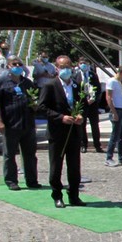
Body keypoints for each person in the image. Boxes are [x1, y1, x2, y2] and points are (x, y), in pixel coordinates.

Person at [37, 55, 85, 208]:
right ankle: (57, 195)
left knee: (74, 166)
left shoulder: (77, 86)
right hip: (57, 132)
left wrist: (80, 116)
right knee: (56, 166)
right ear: (57, 68)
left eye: (68, 66)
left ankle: (74, 195)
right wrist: (60, 117)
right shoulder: (50, 85)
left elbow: (82, 105)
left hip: (73, 131)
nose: (66, 69)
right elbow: (42, 108)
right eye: (63, 67)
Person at [0, 56, 40, 191]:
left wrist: (35, 105)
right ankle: (11, 180)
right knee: (9, 154)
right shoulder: (2, 83)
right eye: (14, 64)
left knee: (30, 154)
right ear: (8, 66)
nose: (18, 66)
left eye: (20, 64)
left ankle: (32, 180)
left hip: (27, 123)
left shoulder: (27, 83)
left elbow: (35, 99)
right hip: (11, 124)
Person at [105, 66, 122, 167]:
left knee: (121, 135)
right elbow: (109, 97)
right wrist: (114, 112)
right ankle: (109, 157)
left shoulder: (119, 82)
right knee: (115, 135)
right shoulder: (112, 81)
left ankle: (121, 157)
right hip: (117, 110)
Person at [76, 57, 103, 153]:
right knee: (82, 125)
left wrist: (94, 98)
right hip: (82, 104)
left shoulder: (93, 75)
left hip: (92, 104)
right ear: (78, 64)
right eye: (81, 63)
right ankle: (83, 144)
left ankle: (97, 145)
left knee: (94, 125)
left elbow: (98, 89)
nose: (83, 64)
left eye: (85, 63)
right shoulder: (76, 75)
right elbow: (74, 90)